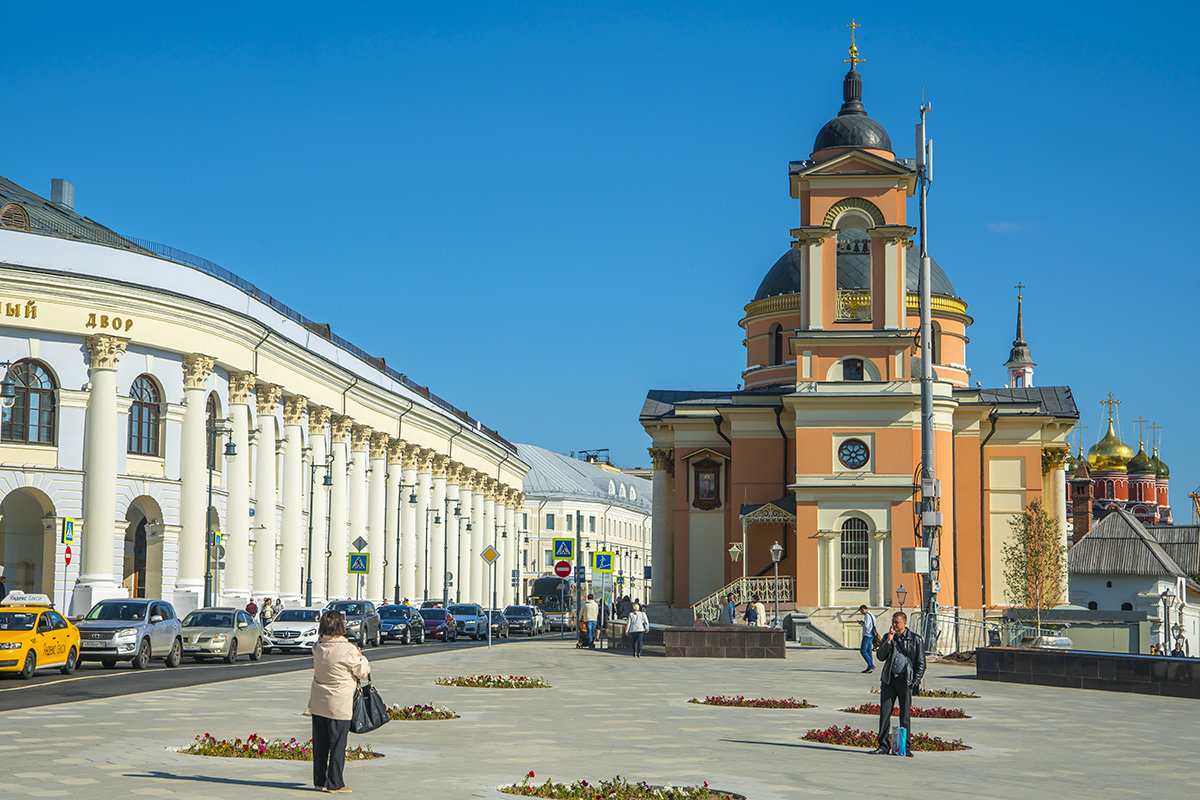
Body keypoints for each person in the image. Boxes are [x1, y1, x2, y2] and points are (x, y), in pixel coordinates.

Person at [309, 608, 370, 793]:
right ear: (341, 627)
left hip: (319, 701)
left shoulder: (318, 647)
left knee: (320, 744)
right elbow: (362, 671)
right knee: (337, 744)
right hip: (339, 704)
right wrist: (361, 656)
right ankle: (335, 783)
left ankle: (319, 780)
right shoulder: (347, 650)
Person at [872, 611, 926, 756]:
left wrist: (914, 682)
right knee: (884, 713)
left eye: (897, 622)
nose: (894, 625)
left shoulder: (915, 639)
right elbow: (880, 657)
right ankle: (883, 746)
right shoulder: (888, 637)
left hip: (905, 681)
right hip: (889, 680)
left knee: (905, 715)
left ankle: (905, 747)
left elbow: (921, 664)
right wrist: (888, 641)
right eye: (893, 622)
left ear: (904, 623)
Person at [858, 604, 877, 673]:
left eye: (861, 611)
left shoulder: (867, 615)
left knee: (863, 651)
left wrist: (861, 623)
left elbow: (866, 626)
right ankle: (869, 667)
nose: (861, 613)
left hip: (867, 635)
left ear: (863, 609)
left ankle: (871, 665)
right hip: (872, 634)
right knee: (869, 652)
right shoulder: (872, 614)